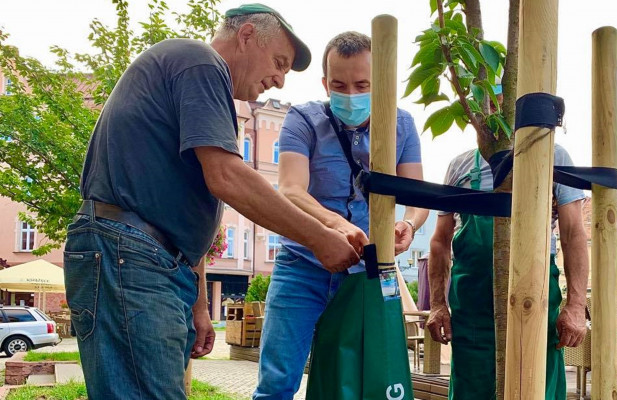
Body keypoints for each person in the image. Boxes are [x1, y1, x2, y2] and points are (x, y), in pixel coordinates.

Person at [64, 4, 360, 399]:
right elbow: (227, 177)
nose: (279, 80)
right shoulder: (200, 62)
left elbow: (190, 207)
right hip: (128, 253)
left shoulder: (198, 83)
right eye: (278, 62)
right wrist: (319, 238)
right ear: (247, 35)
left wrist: (199, 303)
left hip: (143, 255)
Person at [253, 31, 429, 400]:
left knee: (367, 377)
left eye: (362, 84)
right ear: (324, 83)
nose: (350, 94)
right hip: (302, 266)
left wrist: (408, 224)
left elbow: (417, 197)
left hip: (366, 276)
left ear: (379, 85)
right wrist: (338, 226)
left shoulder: (402, 124)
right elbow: (290, 189)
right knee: (277, 381)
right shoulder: (303, 119)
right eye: (339, 85)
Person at [426, 84, 589, 400]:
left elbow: (573, 235)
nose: (496, 111)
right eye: (488, 103)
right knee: (472, 389)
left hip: (536, 305)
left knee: (536, 384)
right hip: (472, 309)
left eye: (504, 102)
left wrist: (576, 305)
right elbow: (439, 242)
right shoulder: (460, 166)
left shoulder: (554, 157)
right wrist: (436, 303)